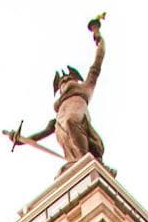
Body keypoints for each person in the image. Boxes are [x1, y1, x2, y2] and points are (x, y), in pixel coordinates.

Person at [8, 17, 107, 166]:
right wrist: (22, 139)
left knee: (70, 121)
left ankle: (84, 161)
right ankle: (78, 163)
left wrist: (98, 35)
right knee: (64, 126)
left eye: (69, 78)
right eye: (62, 82)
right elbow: (43, 133)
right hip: (65, 134)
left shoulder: (85, 88)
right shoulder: (58, 112)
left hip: (79, 122)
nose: (66, 81)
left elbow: (98, 60)